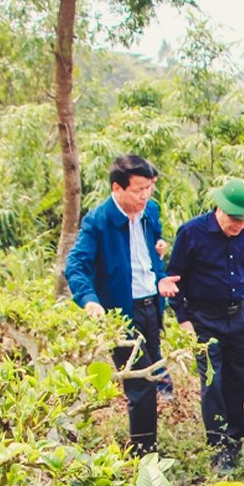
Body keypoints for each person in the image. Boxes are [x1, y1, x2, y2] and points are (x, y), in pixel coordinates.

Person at [64, 155, 176, 456]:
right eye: (138, 189)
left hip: (151, 305)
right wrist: (90, 301)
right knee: (139, 386)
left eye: (149, 188)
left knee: (152, 374)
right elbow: (76, 266)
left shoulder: (150, 211)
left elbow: (151, 255)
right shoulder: (99, 221)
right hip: (122, 312)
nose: (145, 196)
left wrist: (161, 270)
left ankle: (149, 446)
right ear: (117, 188)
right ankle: (144, 454)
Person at [167, 177, 244, 471]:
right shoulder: (192, 233)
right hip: (204, 319)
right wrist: (184, 320)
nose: (240, 227)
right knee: (213, 382)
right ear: (220, 208)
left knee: (236, 379)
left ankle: (235, 440)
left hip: (238, 317)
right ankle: (218, 446)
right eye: (235, 220)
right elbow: (175, 279)